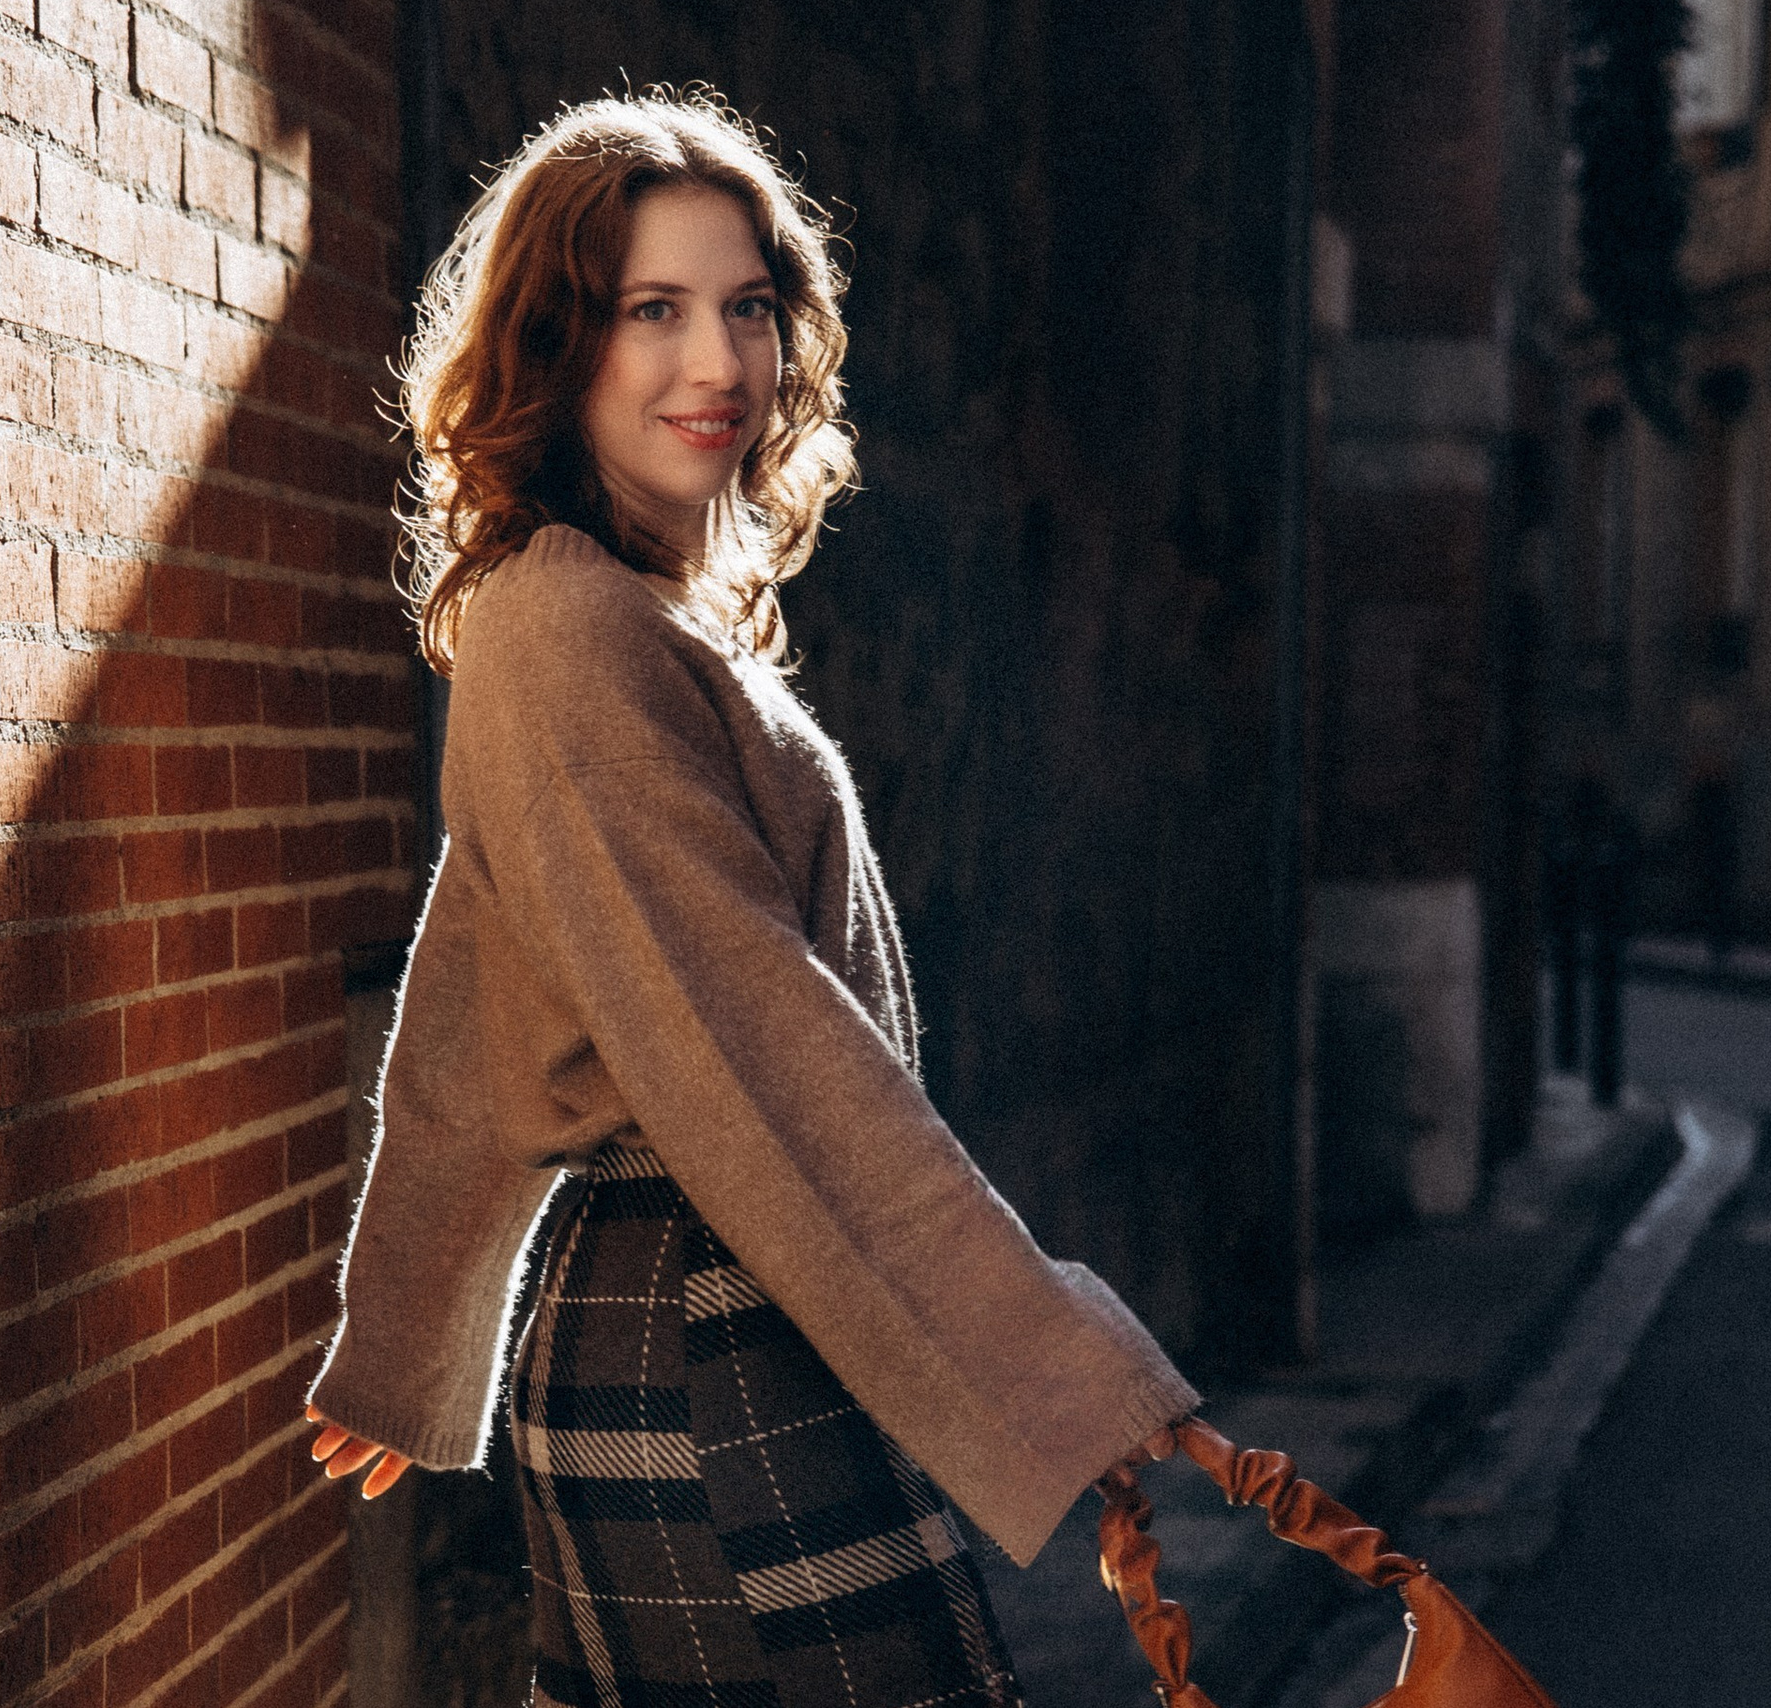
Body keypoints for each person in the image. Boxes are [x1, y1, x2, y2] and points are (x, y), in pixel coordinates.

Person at [298, 90, 1198, 1708]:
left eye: (748, 308)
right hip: (709, 1328)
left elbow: (473, 964)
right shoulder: (568, 627)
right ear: (558, 345)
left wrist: (411, 1324)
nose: (717, 365)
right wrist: (1052, 1355)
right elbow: (757, 1020)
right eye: (653, 312)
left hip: (706, 1316)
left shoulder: (620, 618)